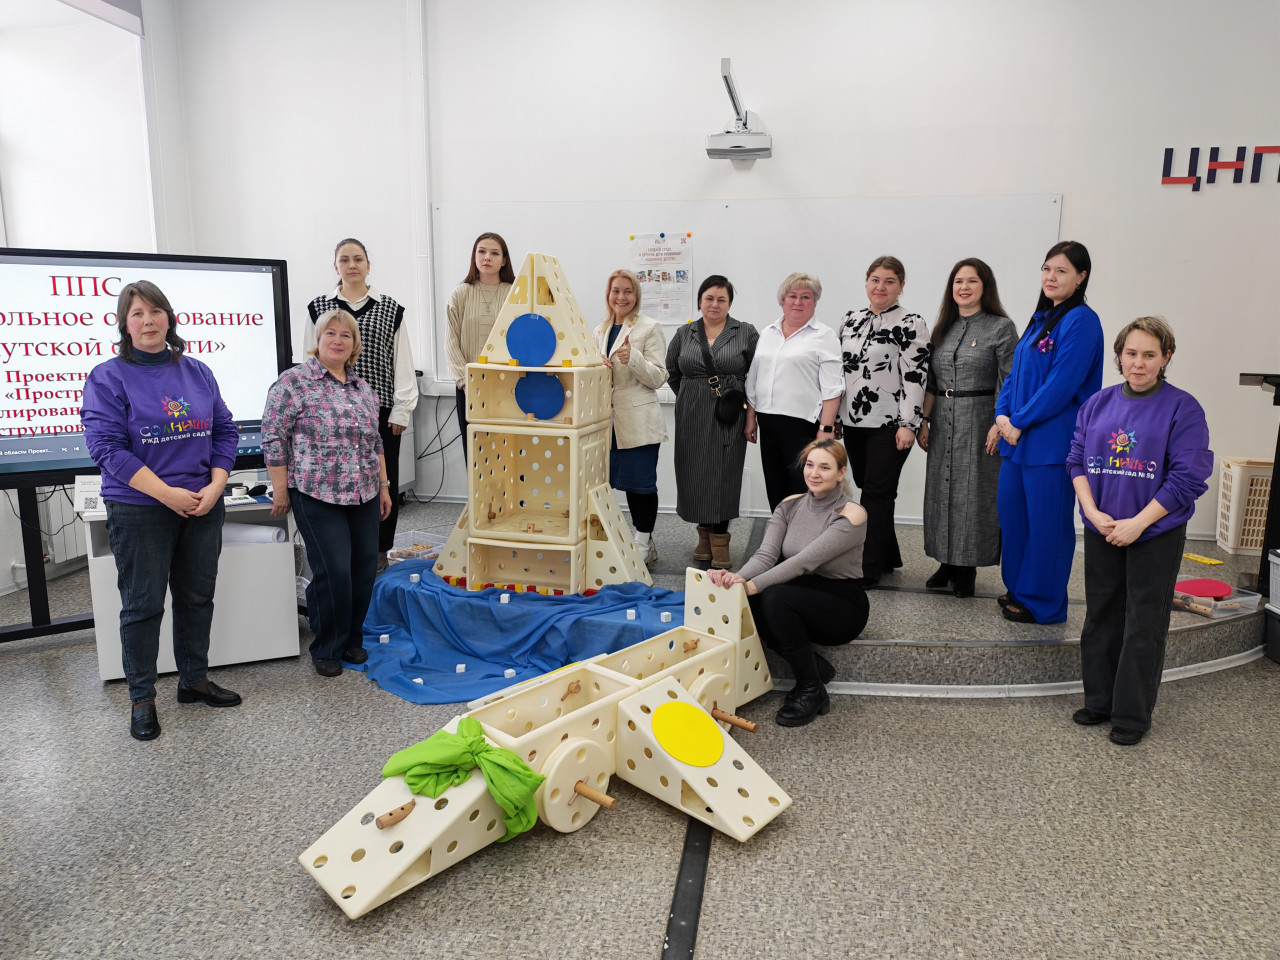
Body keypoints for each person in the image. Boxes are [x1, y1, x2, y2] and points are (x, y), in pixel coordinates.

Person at [81, 280, 242, 741]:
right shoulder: (107, 377)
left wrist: (216, 485)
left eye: (155, 311)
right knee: (143, 606)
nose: (148, 321)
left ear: (169, 318)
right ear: (124, 324)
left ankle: (194, 681)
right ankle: (142, 700)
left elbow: (225, 431)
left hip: (202, 503)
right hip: (140, 508)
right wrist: (167, 494)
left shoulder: (197, 371)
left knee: (197, 598)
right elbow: (107, 449)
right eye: (137, 313)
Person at [1067, 317, 1212, 745]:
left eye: (1149, 355)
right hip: (1103, 527)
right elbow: (1076, 460)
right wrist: (1091, 511)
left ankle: (1131, 715)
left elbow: (1187, 478)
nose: (1138, 363)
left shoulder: (1183, 408)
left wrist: (1138, 523)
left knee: (1143, 622)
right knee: (1101, 616)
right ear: (1119, 356)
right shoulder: (1097, 404)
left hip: (1154, 532)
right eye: (1131, 353)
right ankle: (1099, 701)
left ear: (1166, 358)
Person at [263, 309, 393, 677]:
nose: (337, 340)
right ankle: (326, 646)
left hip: (365, 493)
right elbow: (273, 438)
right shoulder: (293, 383)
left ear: (354, 345)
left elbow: (376, 441)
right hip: (316, 493)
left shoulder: (363, 388)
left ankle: (352, 639)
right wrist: (281, 489)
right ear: (318, 340)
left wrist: (384, 487)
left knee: (363, 570)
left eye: (345, 335)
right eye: (330, 333)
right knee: (333, 571)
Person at [708, 439, 868, 727]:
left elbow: (803, 561)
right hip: (801, 590)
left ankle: (811, 688)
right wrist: (737, 578)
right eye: (810, 465)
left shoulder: (851, 513)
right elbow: (766, 555)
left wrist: (752, 586)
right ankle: (814, 667)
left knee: (771, 596)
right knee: (752, 598)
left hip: (843, 604)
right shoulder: (789, 505)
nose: (814, 473)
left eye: (825, 467)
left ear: (841, 473)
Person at [994, 240, 1104, 624]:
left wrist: (1018, 421)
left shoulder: (1082, 321)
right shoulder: (1042, 318)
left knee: (1048, 526)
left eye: (1061, 270)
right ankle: (1019, 587)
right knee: (1014, 517)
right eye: (1046, 269)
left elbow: (1062, 383)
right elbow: (1015, 374)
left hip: (1052, 443)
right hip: (1017, 441)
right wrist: (1002, 414)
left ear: (1081, 277)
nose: (1051, 277)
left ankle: (1043, 602)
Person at [307, 238, 416, 574]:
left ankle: (379, 552)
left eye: (358, 259)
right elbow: (308, 357)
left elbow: (402, 360)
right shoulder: (318, 307)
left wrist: (402, 409)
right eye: (344, 259)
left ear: (368, 265)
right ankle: (340, 551)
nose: (352, 265)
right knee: (336, 478)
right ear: (335, 266)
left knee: (383, 481)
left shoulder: (391, 309)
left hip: (379, 412)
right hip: (330, 412)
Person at [918, 258, 1018, 598]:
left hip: (980, 419)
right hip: (942, 419)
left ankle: (966, 568)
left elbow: (1010, 380)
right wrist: (924, 420)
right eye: (958, 281)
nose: (964, 287)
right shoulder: (942, 328)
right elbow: (931, 381)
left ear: (984, 286)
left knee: (973, 493)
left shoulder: (1001, 328)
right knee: (941, 490)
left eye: (972, 281)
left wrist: (998, 423)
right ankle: (946, 562)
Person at [838, 256, 930, 586]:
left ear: (901, 286)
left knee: (877, 493)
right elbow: (839, 371)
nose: (881, 286)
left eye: (889, 281)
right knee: (870, 487)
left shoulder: (911, 322)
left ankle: (869, 568)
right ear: (866, 283)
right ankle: (889, 555)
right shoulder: (850, 320)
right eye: (875, 279)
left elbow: (916, 375)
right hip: (853, 422)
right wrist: (836, 417)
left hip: (891, 424)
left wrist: (909, 424)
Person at [666, 275, 759, 568]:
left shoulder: (745, 332)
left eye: (721, 299)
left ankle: (720, 540)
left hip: (729, 415)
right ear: (699, 302)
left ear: (729, 303)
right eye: (709, 298)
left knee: (724, 474)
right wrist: (691, 397)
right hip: (691, 415)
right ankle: (703, 536)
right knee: (695, 473)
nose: (715, 304)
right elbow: (672, 371)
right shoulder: (684, 333)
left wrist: (750, 416)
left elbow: (757, 377)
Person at [745, 273, 844, 511]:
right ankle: (781, 533)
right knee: (775, 486)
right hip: (768, 422)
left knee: (802, 487)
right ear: (783, 300)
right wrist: (750, 417)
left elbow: (833, 388)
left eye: (805, 297)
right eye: (792, 296)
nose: (798, 302)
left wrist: (826, 429)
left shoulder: (824, 336)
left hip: (802, 426)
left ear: (815, 301)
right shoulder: (768, 332)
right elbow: (754, 378)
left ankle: (804, 535)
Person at [591, 269, 668, 567]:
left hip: (638, 421)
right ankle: (627, 540)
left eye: (628, 291)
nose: (621, 297)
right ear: (608, 295)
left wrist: (633, 358)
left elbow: (659, 377)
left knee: (640, 486)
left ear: (636, 295)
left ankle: (643, 542)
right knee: (604, 485)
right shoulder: (599, 330)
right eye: (616, 291)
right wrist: (594, 364)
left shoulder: (649, 327)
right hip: (605, 423)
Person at [445, 232, 515, 462]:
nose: (487, 257)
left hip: (508, 385)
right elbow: (451, 343)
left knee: (509, 454)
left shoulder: (514, 293)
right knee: (476, 455)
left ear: (503, 260)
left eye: (494, 253)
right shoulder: (460, 293)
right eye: (482, 251)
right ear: (474, 256)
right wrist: (465, 383)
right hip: (469, 386)